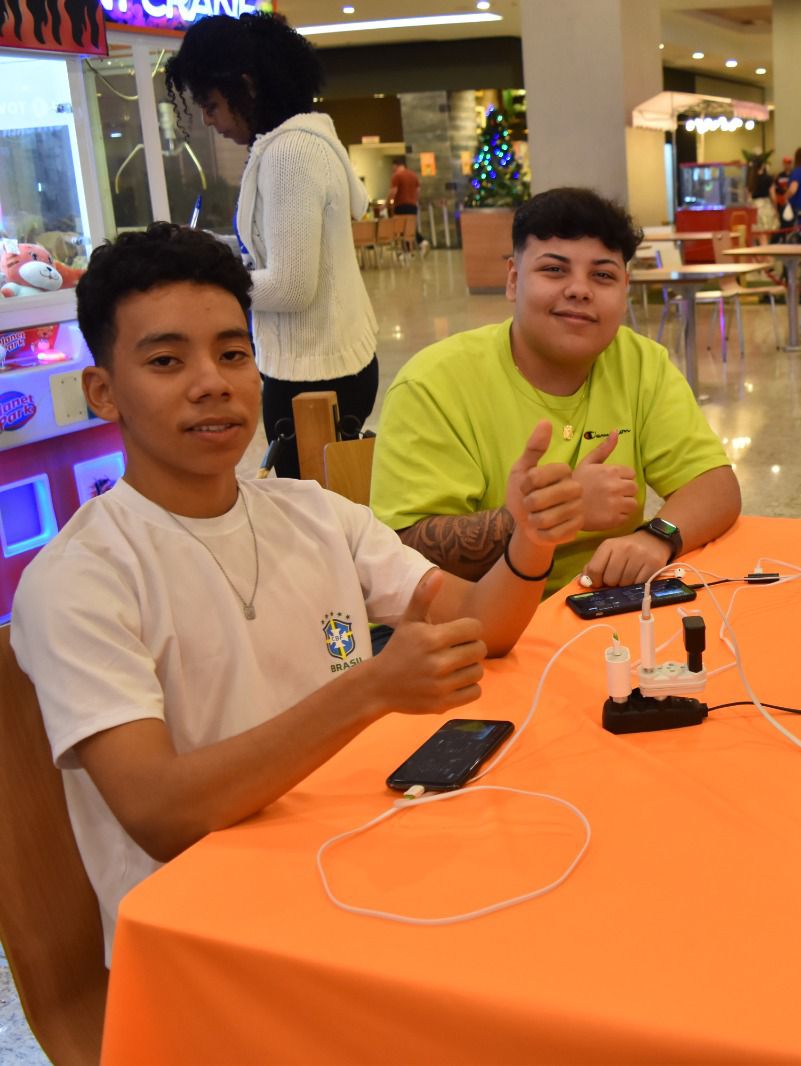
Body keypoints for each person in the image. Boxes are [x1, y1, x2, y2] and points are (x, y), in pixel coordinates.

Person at [11, 223, 587, 963]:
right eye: (165, 360)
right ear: (103, 392)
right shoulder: (79, 578)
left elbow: (482, 624)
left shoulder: (312, 513)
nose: (212, 382)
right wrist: (369, 690)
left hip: (353, 867)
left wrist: (529, 542)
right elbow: (159, 811)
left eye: (233, 353)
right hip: (208, 941)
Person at [369, 187, 740, 592]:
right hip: (472, 615)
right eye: (554, 270)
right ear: (514, 280)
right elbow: (403, 549)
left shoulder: (640, 363)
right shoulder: (433, 384)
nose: (580, 289)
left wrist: (657, 536)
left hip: (606, 607)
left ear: (624, 290)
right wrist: (552, 513)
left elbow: (715, 486)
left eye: (603, 275)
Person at [167, 13, 377, 480]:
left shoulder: (289, 155)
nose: (208, 120)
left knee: (313, 512)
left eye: (211, 104)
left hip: (315, 376)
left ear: (246, 86)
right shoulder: (302, 143)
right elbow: (275, 252)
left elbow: (290, 287)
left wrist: (207, 279)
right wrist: (209, 249)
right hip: (326, 363)